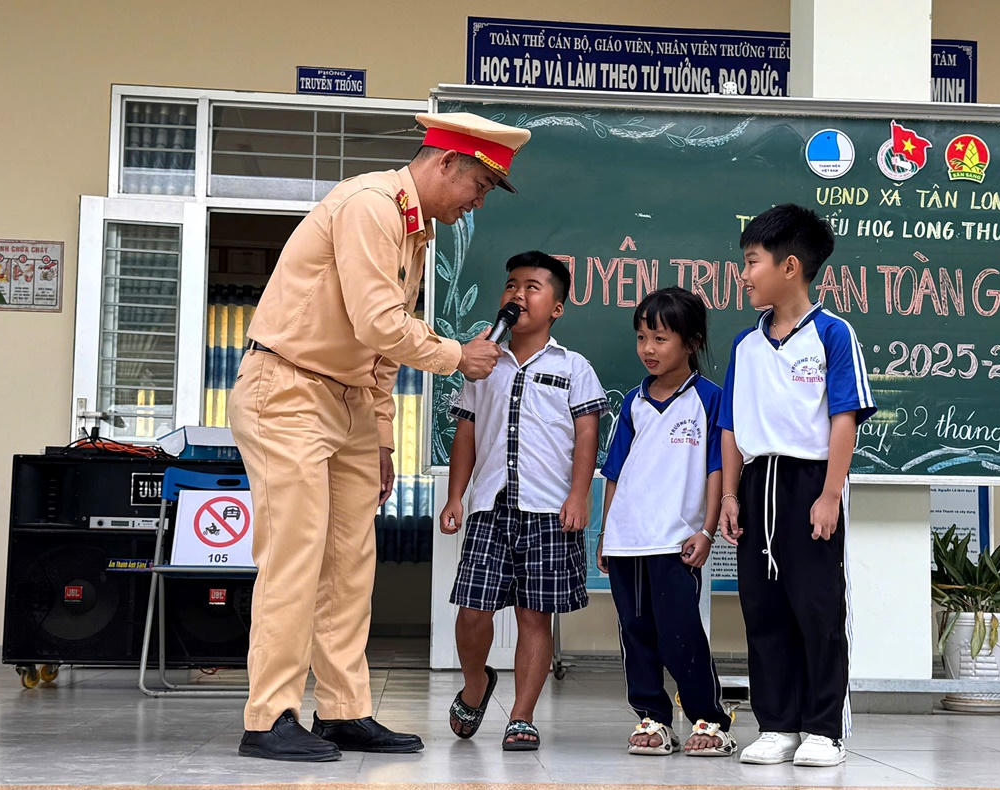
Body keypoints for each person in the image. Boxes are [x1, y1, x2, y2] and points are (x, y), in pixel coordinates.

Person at [230, 112, 530, 762]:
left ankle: (342, 710)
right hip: (287, 389)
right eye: (477, 186)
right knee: (296, 552)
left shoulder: (413, 233)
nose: (476, 202)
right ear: (445, 163)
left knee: (349, 563)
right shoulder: (370, 206)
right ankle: (270, 715)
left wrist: (384, 439)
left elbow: (381, 354)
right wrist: (457, 356)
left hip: (346, 405)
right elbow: (378, 322)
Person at [717, 204, 876, 768]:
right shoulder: (746, 345)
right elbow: (732, 426)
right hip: (759, 481)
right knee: (763, 608)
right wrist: (732, 495)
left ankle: (823, 728)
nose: (743, 273)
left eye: (751, 261)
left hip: (811, 481)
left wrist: (830, 495)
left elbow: (844, 419)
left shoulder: (833, 334)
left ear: (789, 267)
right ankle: (777, 724)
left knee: (817, 608)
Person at [439, 251, 607, 752]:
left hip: (549, 510)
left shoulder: (573, 366)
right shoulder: (481, 363)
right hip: (491, 505)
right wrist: (455, 496)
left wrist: (579, 496)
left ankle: (521, 716)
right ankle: (475, 685)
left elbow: (586, 435)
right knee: (472, 610)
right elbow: (465, 435)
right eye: (512, 285)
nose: (518, 294)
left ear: (557, 306)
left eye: (533, 287)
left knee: (535, 615)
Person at [596, 287, 736, 758]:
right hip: (627, 539)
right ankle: (652, 718)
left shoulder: (711, 400)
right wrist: (605, 531)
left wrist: (707, 530)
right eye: (641, 338)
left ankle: (711, 720)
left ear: (691, 342)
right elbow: (615, 472)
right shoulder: (632, 404)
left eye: (660, 338)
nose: (648, 349)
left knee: (681, 634)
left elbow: (718, 469)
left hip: (676, 540)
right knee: (635, 632)